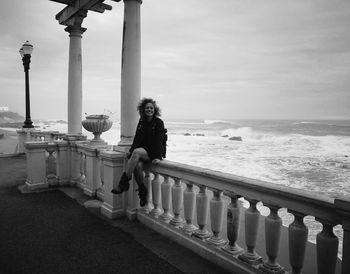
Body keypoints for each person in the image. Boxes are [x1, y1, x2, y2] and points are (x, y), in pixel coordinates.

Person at [111, 98, 166, 207]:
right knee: (137, 167)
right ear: (143, 109)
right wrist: (130, 152)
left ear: (155, 110)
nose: (149, 109)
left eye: (151, 108)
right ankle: (142, 192)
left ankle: (123, 183)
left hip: (153, 151)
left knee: (136, 152)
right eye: (147, 108)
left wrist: (158, 157)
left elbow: (160, 140)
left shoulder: (159, 122)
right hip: (142, 150)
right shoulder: (142, 120)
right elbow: (137, 138)